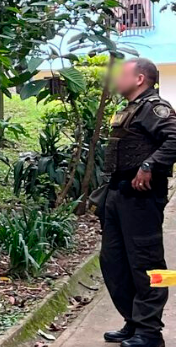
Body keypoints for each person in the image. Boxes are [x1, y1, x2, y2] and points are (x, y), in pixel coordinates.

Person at [99, 58, 176, 347]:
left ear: (140, 79)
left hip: (142, 198)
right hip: (119, 194)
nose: (117, 78)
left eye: (122, 74)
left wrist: (148, 165)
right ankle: (134, 322)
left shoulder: (155, 108)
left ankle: (151, 332)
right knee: (114, 262)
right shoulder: (131, 109)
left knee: (151, 264)